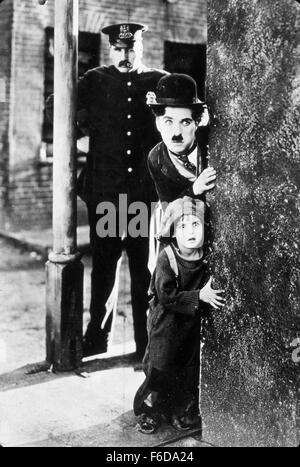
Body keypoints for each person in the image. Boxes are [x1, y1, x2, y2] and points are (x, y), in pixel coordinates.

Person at [75, 23, 167, 358]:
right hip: (108, 195)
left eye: (131, 48)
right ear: (111, 50)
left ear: (141, 47)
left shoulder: (159, 80)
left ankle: (145, 343)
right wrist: (79, 135)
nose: (125, 55)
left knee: (143, 269)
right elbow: (59, 103)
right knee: (104, 266)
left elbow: (190, 113)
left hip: (142, 195)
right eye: (119, 49)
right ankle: (97, 338)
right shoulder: (96, 80)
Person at [133, 196, 225, 434]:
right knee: (160, 366)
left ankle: (176, 410)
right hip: (165, 323)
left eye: (196, 225)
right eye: (182, 226)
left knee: (184, 368)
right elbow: (166, 295)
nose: (190, 231)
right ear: (173, 232)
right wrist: (199, 297)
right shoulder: (168, 257)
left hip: (188, 323)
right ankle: (150, 411)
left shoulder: (204, 256)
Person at [147, 73, 216, 204]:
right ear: (158, 123)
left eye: (185, 122)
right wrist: (194, 190)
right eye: (169, 122)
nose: (177, 133)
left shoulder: (211, 143)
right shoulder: (156, 157)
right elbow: (168, 207)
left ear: (197, 123)